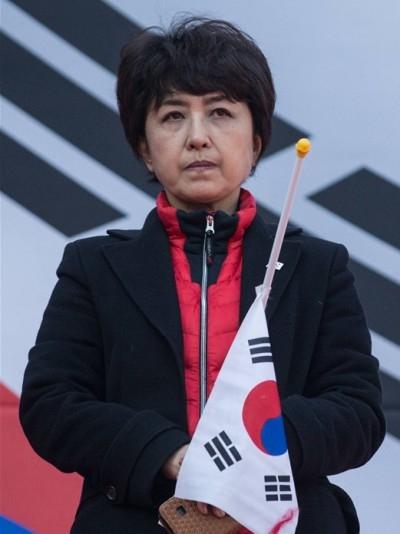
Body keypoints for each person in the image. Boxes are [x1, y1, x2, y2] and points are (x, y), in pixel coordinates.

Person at [20, 17, 385, 533]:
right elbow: (52, 406)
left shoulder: (318, 267)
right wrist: (169, 455)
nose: (197, 137)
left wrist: (251, 449)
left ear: (256, 140)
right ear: (144, 147)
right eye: (172, 116)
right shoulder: (93, 267)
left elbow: (357, 412)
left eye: (220, 113)